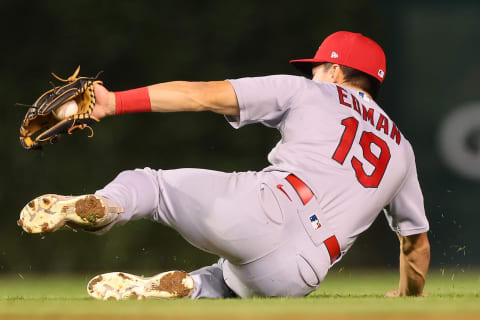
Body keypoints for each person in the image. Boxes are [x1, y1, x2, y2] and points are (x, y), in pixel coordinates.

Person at [19, 31, 430, 300]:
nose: (313, 72)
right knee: (232, 284)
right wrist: (407, 298)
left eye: (318, 66)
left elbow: (203, 95)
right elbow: (416, 245)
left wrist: (114, 102)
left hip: (267, 208)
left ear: (336, 70)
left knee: (151, 187)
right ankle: (191, 286)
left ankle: (106, 206)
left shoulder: (306, 91)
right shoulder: (402, 150)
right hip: (302, 272)